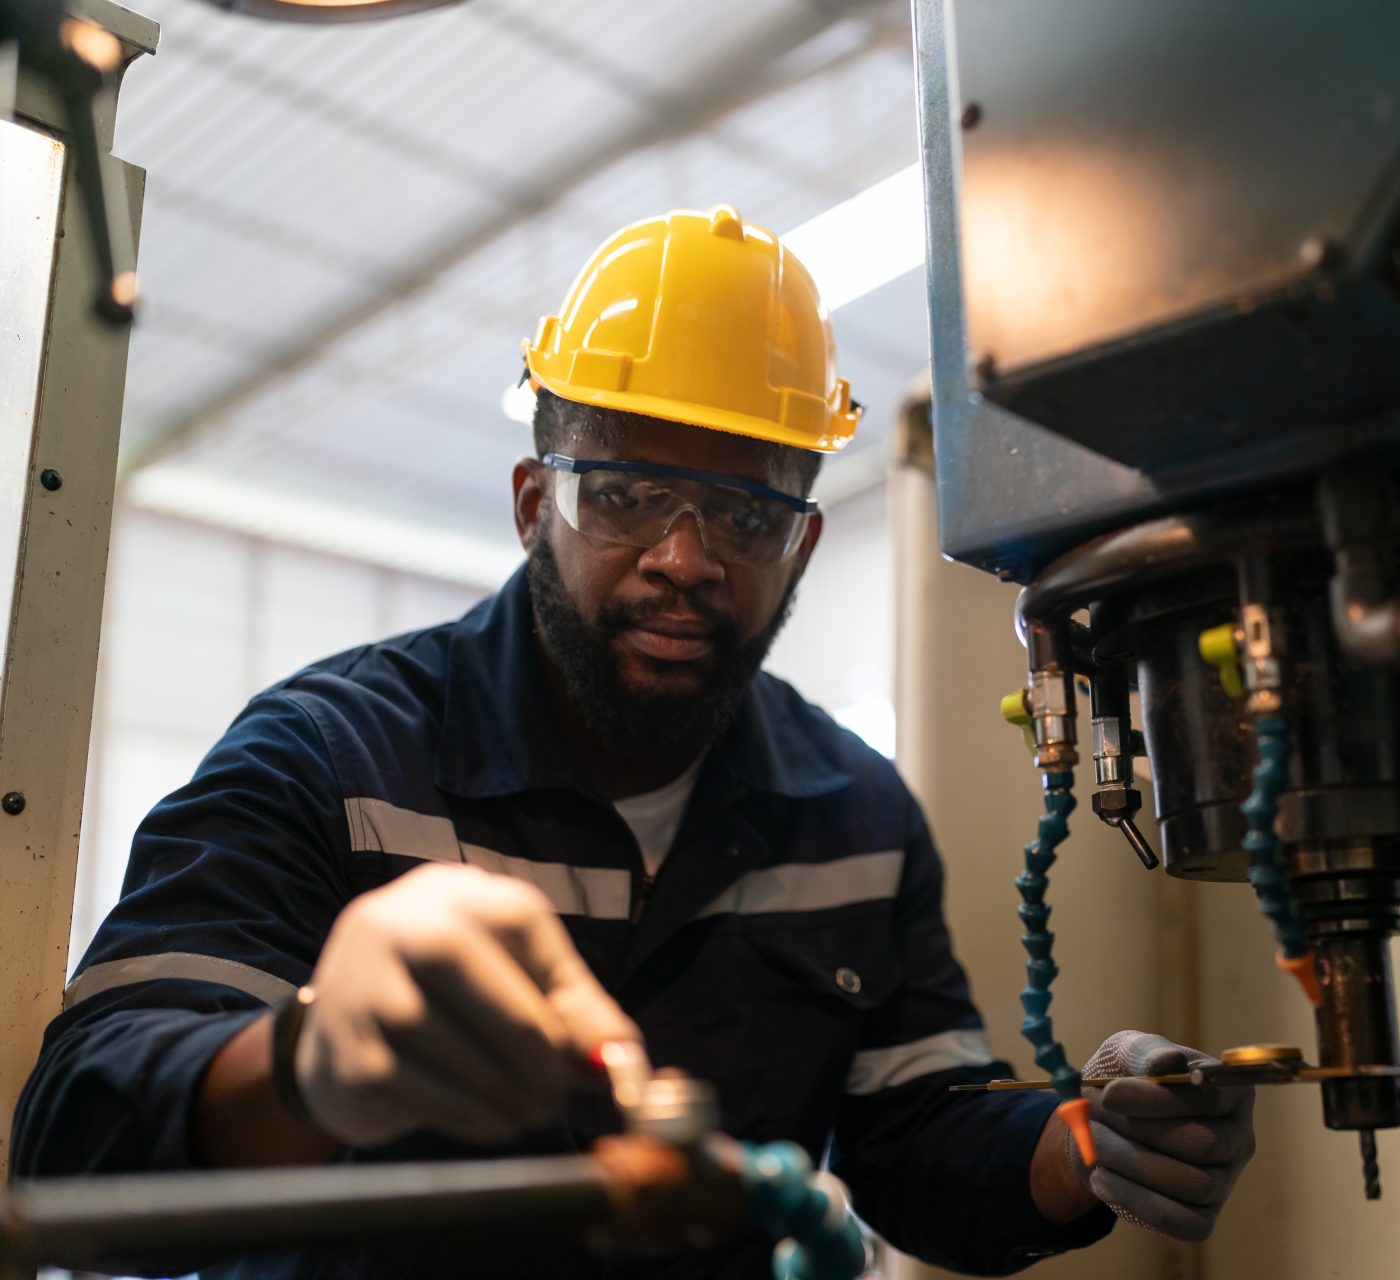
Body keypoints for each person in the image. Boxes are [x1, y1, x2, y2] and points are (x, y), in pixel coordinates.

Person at [9, 206, 1256, 1278]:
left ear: (803, 547)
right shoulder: (330, 759)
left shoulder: (852, 815)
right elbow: (71, 1137)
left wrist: (1092, 1142)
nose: (683, 557)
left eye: (744, 512)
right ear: (530, 504)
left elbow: (916, 1140)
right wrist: (306, 1062)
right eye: (621, 494)